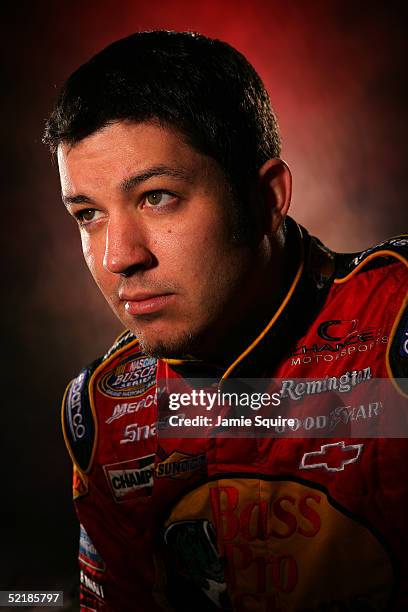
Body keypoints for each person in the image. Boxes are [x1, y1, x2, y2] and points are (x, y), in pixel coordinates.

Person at [43, 30, 408, 611]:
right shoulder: (105, 409)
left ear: (267, 199)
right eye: (88, 214)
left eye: (156, 197)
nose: (119, 257)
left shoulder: (396, 323)